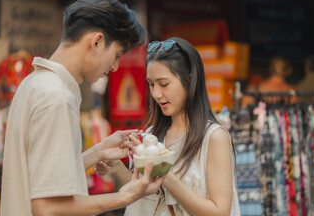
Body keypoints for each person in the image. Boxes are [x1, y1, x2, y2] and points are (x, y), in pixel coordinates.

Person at [0, 0, 165, 216]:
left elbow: (40, 178)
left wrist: (98, 151)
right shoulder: (57, 96)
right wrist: (127, 195)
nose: (115, 66)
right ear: (96, 42)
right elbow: (46, 208)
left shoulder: (33, 83)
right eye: (116, 54)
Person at [96, 37, 240, 215]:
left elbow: (220, 212)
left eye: (164, 84)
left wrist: (167, 175)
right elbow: (146, 194)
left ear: (189, 80)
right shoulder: (152, 135)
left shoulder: (214, 137)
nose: (156, 93)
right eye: (151, 84)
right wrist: (115, 165)